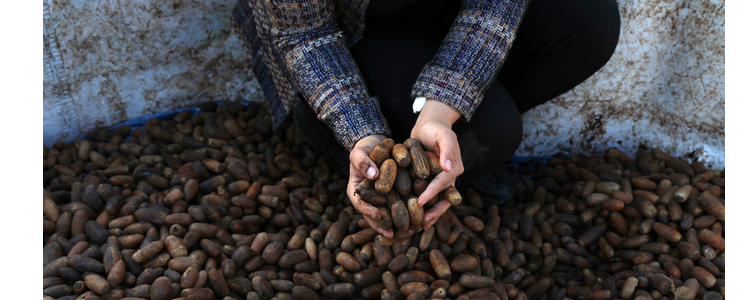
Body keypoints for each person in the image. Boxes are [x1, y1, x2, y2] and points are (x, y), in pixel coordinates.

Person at [231, 0, 621, 238]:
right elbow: (307, 33)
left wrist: (442, 109)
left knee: (588, 23)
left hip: (441, 9)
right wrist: (361, 130)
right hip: (349, 32)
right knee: (491, 133)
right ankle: (329, 128)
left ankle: (448, 120)